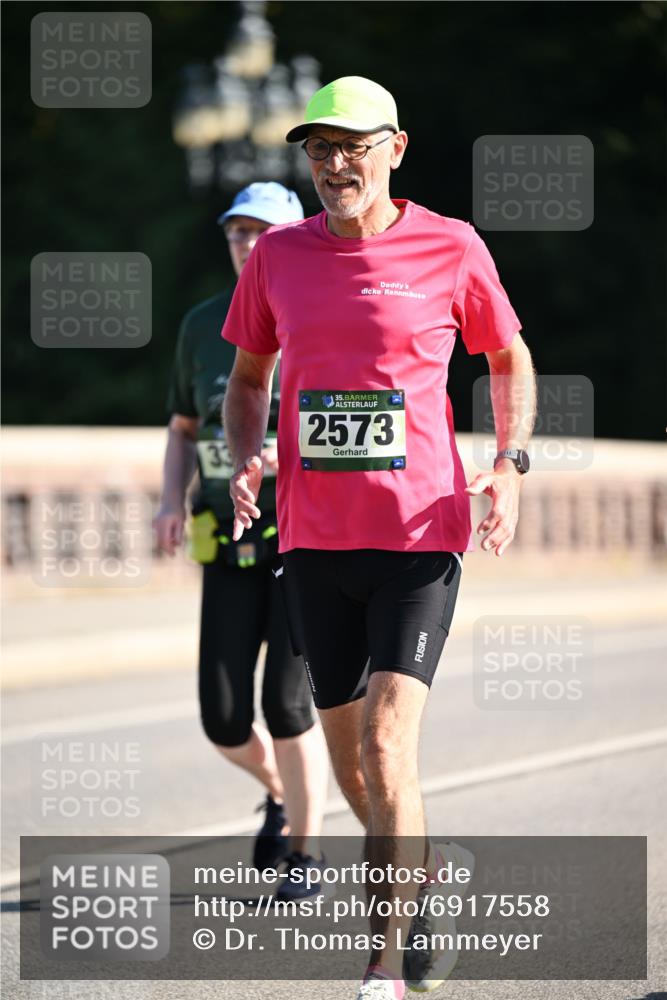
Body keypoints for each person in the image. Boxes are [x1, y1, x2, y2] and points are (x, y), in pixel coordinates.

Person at [222, 78, 536, 997]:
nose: (334, 164)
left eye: (353, 146)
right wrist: (247, 455)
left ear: (394, 148)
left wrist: (508, 465)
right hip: (314, 542)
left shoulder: (452, 247)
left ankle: (382, 965)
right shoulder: (277, 258)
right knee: (355, 758)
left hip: (418, 535)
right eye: (319, 148)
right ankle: (420, 886)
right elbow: (248, 380)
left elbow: (506, 356)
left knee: (388, 749)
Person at [154, 182, 329, 898]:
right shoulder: (200, 324)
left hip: (304, 540)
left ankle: (306, 853)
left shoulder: (319, 316)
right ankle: (281, 793)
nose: (247, 245)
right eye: (236, 233)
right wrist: (171, 500)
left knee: (288, 706)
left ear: (292, 239)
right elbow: (183, 429)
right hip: (224, 539)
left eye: (263, 233)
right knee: (223, 717)